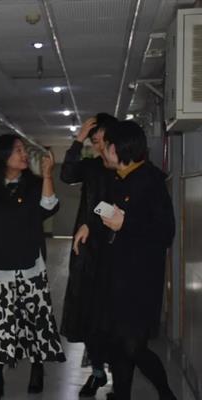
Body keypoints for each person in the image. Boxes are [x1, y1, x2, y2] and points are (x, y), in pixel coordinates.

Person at [0, 134, 65, 400]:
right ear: (2, 156)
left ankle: (37, 369)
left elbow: (49, 206)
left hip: (30, 267)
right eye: (17, 150)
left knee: (35, 323)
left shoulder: (34, 184)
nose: (24, 154)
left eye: (24, 150)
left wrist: (47, 175)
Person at [98, 121, 176, 400]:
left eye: (105, 146)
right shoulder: (119, 178)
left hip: (140, 283)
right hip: (117, 279)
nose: (102, 151)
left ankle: (166, 394)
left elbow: (165, 231)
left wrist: (126, 223)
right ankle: (121, 395)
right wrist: (90, 225)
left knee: (133, 347)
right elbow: (111, 217)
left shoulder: (150, 181)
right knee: (118, 345)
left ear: (118, 148)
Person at [59, 113, 117, 397]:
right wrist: (78, 139)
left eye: (102, 140)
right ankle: (96, 372)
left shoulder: (126, 170)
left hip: (117, 252)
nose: (98, 146)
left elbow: (121, 208)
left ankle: (119, 375)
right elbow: (67, 174)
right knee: (88, 315)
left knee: (113, 317)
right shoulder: (93, 167)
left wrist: (92, 222)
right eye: (94, 141)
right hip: (88, 252)